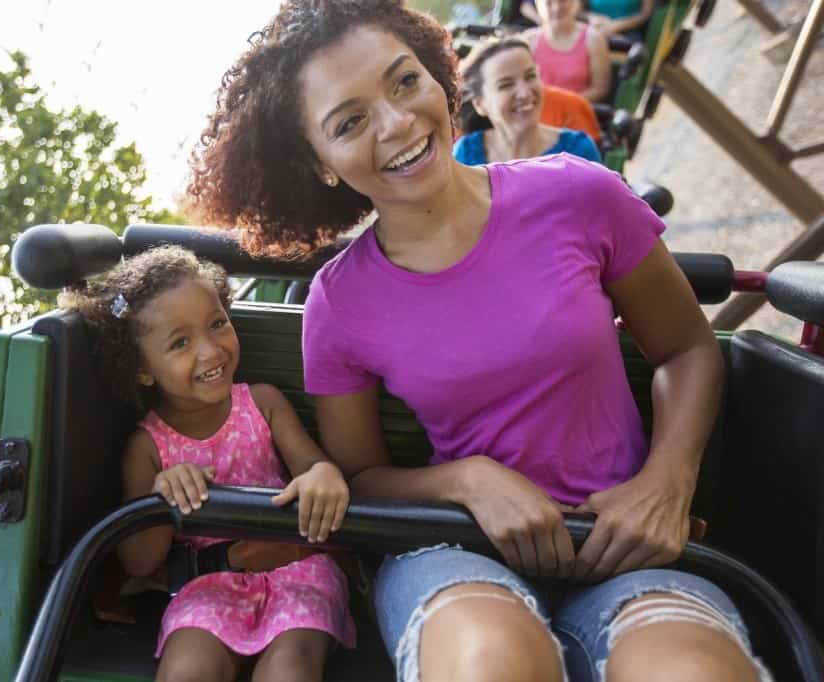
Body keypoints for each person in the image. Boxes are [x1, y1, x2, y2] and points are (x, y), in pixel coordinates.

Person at [187, 2, 772, 681]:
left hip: (620, 545)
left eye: (405, 82)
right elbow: (364, 481)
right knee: (486, 665)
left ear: (439, 77)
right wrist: (469, 482)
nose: (398, 122)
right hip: (456, 551)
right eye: (350, 122)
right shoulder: (339, 303)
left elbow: (687, 348)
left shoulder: (579, 195)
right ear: (319, 164)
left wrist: (668, 480)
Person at [59, 246, 356, 682]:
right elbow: (139, 563)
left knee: (289, 669)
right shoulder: (147, 446)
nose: (211, 351)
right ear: (143, 369)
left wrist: (324, 474)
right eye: (181, 343)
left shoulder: (263, 403)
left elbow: (314, 467)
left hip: (297, 570)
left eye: (217, 324)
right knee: (187, 668)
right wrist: (164, 499)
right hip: (209, 584)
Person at [454, 37, 601, 165]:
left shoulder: (578, 151)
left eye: (530, 76)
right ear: (480, 104)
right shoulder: (465, 154)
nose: (524, 93)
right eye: (506, 85)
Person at [525, 0, 611, 102]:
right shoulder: (528, 40)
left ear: (577, 3)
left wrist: (563, 105)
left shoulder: (594, 38)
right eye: (548, 3)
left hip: (577, 111)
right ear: (538, 5)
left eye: (563, 1)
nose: (556, 8)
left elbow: (600, 89)